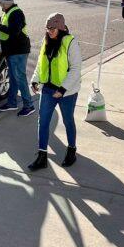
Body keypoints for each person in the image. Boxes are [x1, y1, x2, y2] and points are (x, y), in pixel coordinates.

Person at [28, 13, 81, 170]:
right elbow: (40, 63)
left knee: (67, 120)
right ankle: (42, 156)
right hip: (48, 89)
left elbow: (76, 69)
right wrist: (35, 80)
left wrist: (63, 89)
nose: (49, 31)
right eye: (47, 28)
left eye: (52, 28)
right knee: (43, 121)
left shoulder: (70, 42)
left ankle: (71, 150)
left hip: (67, 92)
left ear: (60, 28)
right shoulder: (46, 40)